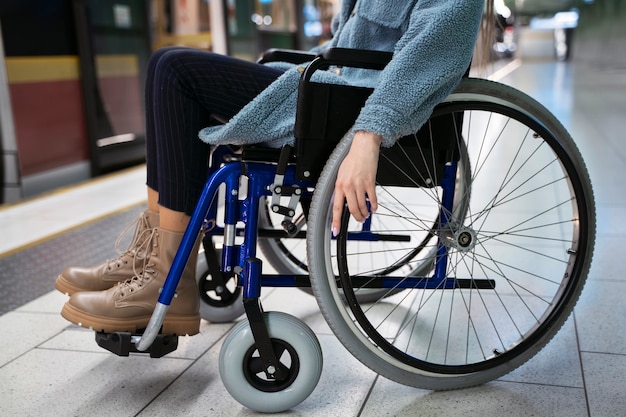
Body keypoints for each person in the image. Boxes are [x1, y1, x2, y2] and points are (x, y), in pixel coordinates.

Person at [57, 0, 491, 336]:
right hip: (337, 91)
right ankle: (155, 260)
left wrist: (369, 134)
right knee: (162, 64)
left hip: (357, 108)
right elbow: (349, 48)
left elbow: (434, 52)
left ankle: (166, 278)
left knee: (174, 70)